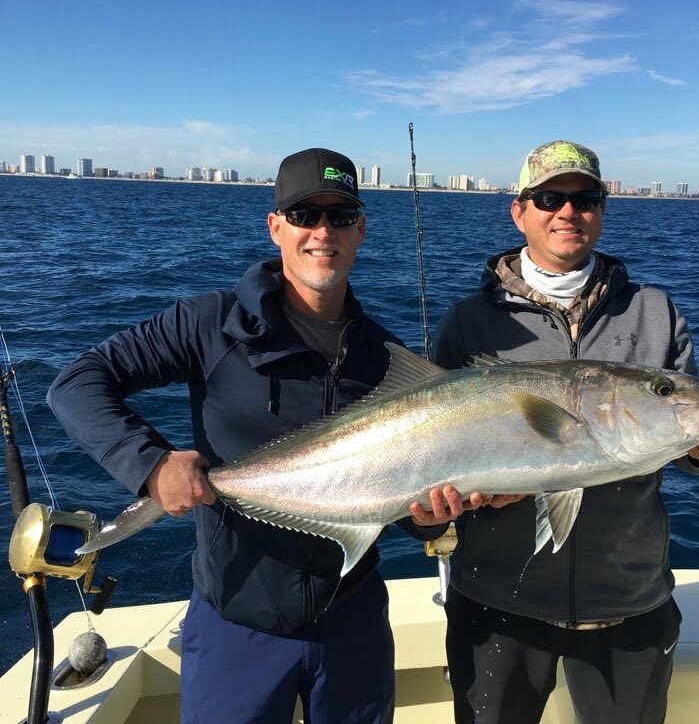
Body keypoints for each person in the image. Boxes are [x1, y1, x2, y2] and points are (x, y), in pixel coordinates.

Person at [47, 147, 477, 724]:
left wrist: (432, 516)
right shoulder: (210, 323)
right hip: (236, 624)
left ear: (361, 231)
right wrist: (150, 466)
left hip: (353, 625)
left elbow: (397, 499)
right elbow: (77, 383)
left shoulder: (386, 357)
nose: (323, 232)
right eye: (305, 215)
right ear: (276, 227)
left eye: (341, 216)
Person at [432, 140, 699, 724]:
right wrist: (441, 509)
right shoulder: (468, 323)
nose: (567, 212)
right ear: (519, 211)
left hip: (628, 597)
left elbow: (684, 442)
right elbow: (435, 450)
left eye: (585, 199)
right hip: (500, 599)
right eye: (549, 198)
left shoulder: (654, 312)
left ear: (603, 209)